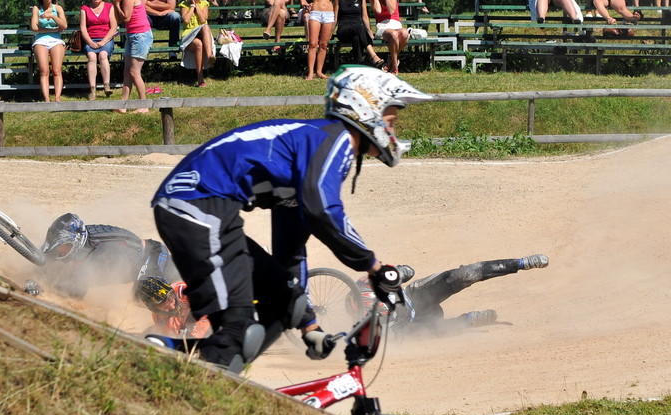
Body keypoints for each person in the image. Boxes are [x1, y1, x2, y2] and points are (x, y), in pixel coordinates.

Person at [150, 65, 433, 372]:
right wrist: (375, 267)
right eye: (391, 118)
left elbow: (290, 248)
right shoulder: (333, 140)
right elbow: (323, 210)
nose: (393, 129)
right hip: (196, 204)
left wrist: (308, 325)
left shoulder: (315, 152)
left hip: (207, 209)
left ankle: (175, 353)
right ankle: (199, 374)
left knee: (289, 302)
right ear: (366, 109)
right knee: (240, 328)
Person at [354, 254, 550, 334]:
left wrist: (399, 272)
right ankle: (470, 320)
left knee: (463, 275)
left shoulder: (368, 283)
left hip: (415, 296)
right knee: (426, 334)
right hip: (414, 323)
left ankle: (521, 263)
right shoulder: (367, 327)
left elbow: (409, 270)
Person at [27, 213, 180, 300]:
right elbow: (48, 253)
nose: (60, 250)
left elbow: (77, 289)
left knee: (145, 298)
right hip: (146, 254)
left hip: (154, 257)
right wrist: (38, 272)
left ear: (75, 242)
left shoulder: (100, 254)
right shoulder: (82, 236)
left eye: (63, 246)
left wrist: (43, 287)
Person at [136, 276, 212, 337]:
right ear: (155, 309)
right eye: (165, 307)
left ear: (171, 290)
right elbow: (174, 336)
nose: (172, 307)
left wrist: (196, 334)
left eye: (170, 299)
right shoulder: (160, 319)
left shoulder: (186, 290)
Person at [113, 0, 153, 114]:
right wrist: (116, 6)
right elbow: (119, 19)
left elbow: (126, 18)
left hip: (140, 35)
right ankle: (123, 105)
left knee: (134, 72)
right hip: (131, 35)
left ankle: (144, 105)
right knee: (127, 71)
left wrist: (116, 5)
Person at [31, 0, 68, 102]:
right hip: (41, 40)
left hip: (56, 40)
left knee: (56, 70)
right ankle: (46, 99)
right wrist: (53, 30)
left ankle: (57, 97)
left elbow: (64, 25)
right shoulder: (37, 8)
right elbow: (34, 27)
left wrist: (52, 16)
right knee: (44, 71)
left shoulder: (58, 8)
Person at [80, 0, 119, 100]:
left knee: (103, 55)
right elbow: (83, 28)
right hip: (90, 38)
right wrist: (90, 42)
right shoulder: (85, 9)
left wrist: (103, 41)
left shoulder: (109, 7)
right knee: (91, 57)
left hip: (106, 38)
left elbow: (114, 27)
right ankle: (93, 89)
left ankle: (107, 85)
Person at [335, 0, 384, 67]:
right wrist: (328, 35)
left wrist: (370, 33)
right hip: (344, 31)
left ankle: (359, 64)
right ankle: (373, 56)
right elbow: (335, 18)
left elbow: (365, 17)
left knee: (356, 38)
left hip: (358, 32)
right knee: (359, 27)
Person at [179, 0, 217, 87]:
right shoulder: (184, 4)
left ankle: (209, 57)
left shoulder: (204, 3)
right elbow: (186, 20)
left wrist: (198, 7)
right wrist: (192, 6)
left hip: (203, 33)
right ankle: (200, 77)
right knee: (198, 44)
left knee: (205, 26)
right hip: (189, 35)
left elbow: (203, 19)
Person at [371, 0, 409, 74]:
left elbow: (391, 10)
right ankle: (395, 67)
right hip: (382, 25)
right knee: (394, 35)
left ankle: (391, 60)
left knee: (405, 33)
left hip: (395, 23)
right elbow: (378, 10)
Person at [305, 0, 337, 80]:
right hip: (315, 12)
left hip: (329, 13)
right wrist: (304, 2)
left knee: (324, 45)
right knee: (312, 43)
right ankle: (311, 73)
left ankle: (319, 72)